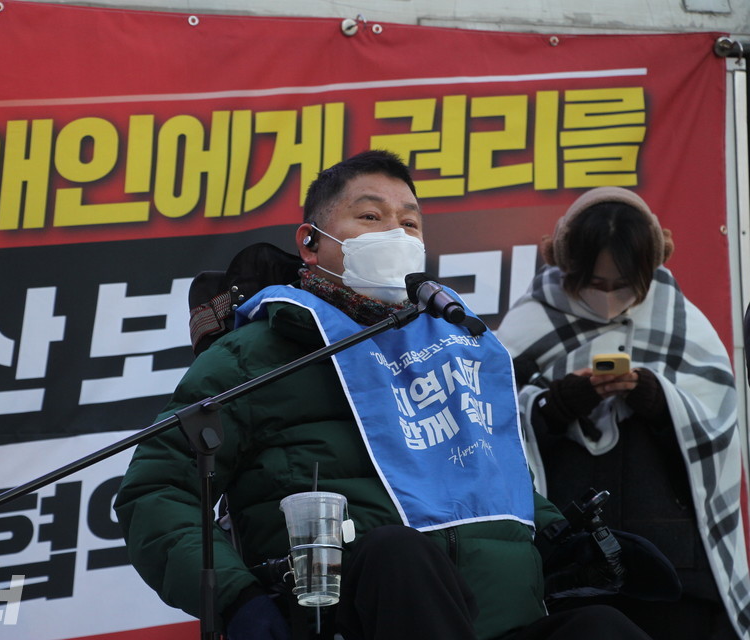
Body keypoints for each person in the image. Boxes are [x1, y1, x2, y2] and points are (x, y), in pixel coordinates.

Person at [115, 151, 656, 640]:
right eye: (371, 217)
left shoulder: (449, 347)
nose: (396, 233)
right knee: (397, 554)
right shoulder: (254, 357)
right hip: (356, 617)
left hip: (499, 620)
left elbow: (485, 471)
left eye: (410, 222)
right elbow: (157, 493)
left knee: (603, 629)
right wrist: (238, 600)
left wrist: (560, 535)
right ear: (310, 242)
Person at [497, 187, 750, 640]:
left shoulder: (682, 321)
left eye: (625, 284)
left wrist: (653, 396)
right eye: (594, 283)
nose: (609, 297)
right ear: (565, 264)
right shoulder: (527, 323)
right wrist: (558, 404)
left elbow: (718, 432)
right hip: (571, 567)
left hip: (677, 568)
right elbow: (492, 430)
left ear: (651, 268)